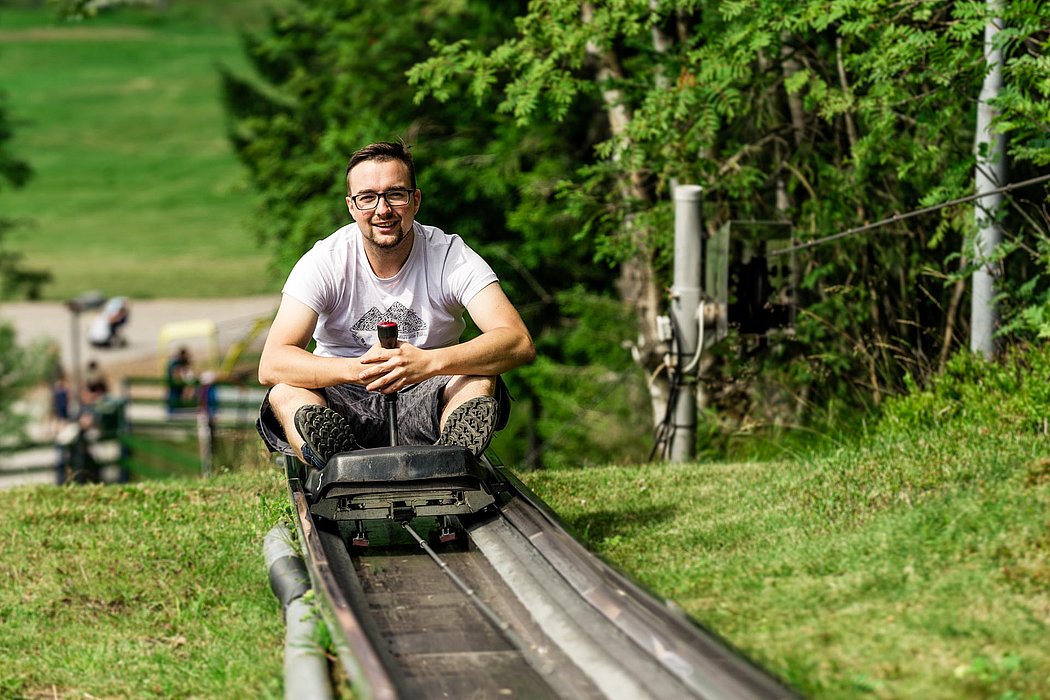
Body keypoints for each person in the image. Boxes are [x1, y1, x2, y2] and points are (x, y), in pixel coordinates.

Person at [256, 141, 535, 469]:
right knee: (286, 390)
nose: (382, 210)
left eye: (395, 194)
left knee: (478, 378)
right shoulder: (325, 261)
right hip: (343, 398)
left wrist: (428, 363)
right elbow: (272, 362)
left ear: (415, 201)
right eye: (367, 197)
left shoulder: (450, 255)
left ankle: (453, 456)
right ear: (351, 206)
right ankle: (332, 458)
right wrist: (357, 369)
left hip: (431, 394)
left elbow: (518, 341)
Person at [166, 347, 193, 414]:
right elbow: (176, 376)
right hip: (174, 392)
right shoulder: (175, 364)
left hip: (177, 392)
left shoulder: (179, 363)